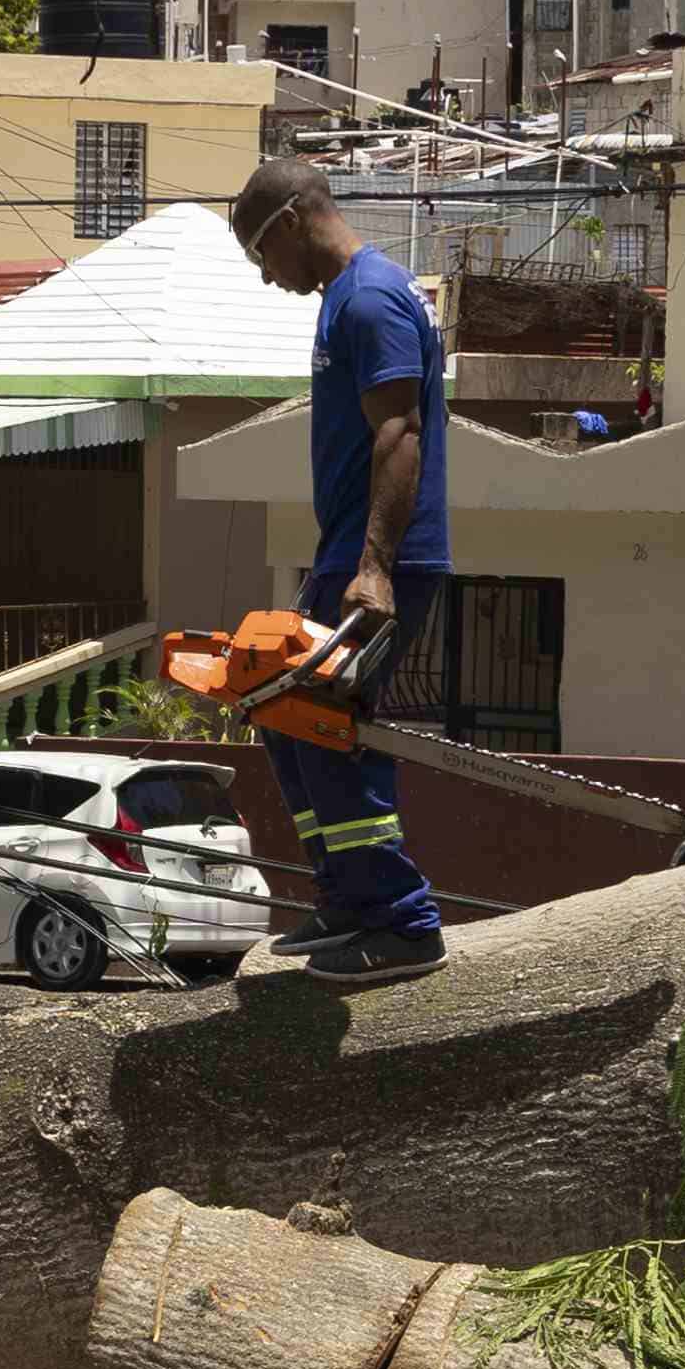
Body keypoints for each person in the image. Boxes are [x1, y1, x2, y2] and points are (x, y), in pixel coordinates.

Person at [230, 155, 449, 986]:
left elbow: (400, 434)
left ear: (291, 221)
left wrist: (376, 569)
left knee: (327, 725)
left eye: (261, 255)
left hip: (380, 560)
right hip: (346, 556)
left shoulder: (371, 297)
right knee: (285, 714)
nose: (266, 276)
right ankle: (349, 901)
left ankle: (400, 923)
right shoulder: (344, 303)